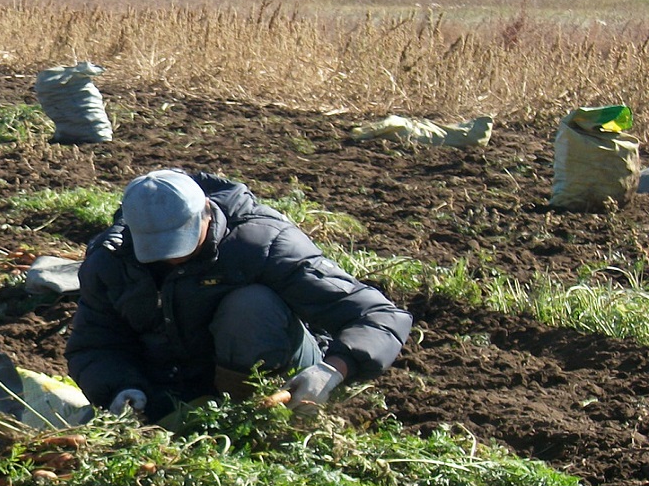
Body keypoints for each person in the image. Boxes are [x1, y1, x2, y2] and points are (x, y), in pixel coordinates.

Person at [66, 169, 412, 424]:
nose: (172, 258)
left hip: (276, 375)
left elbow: (380, 316)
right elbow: (95, 343)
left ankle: (255, 419)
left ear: (206, 211)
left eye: (181, 240)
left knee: (251, 305)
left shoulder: (263, 243)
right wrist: (121, 389)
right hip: (174, 386)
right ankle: (192, 416)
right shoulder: (111, 260)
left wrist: (332, 370)